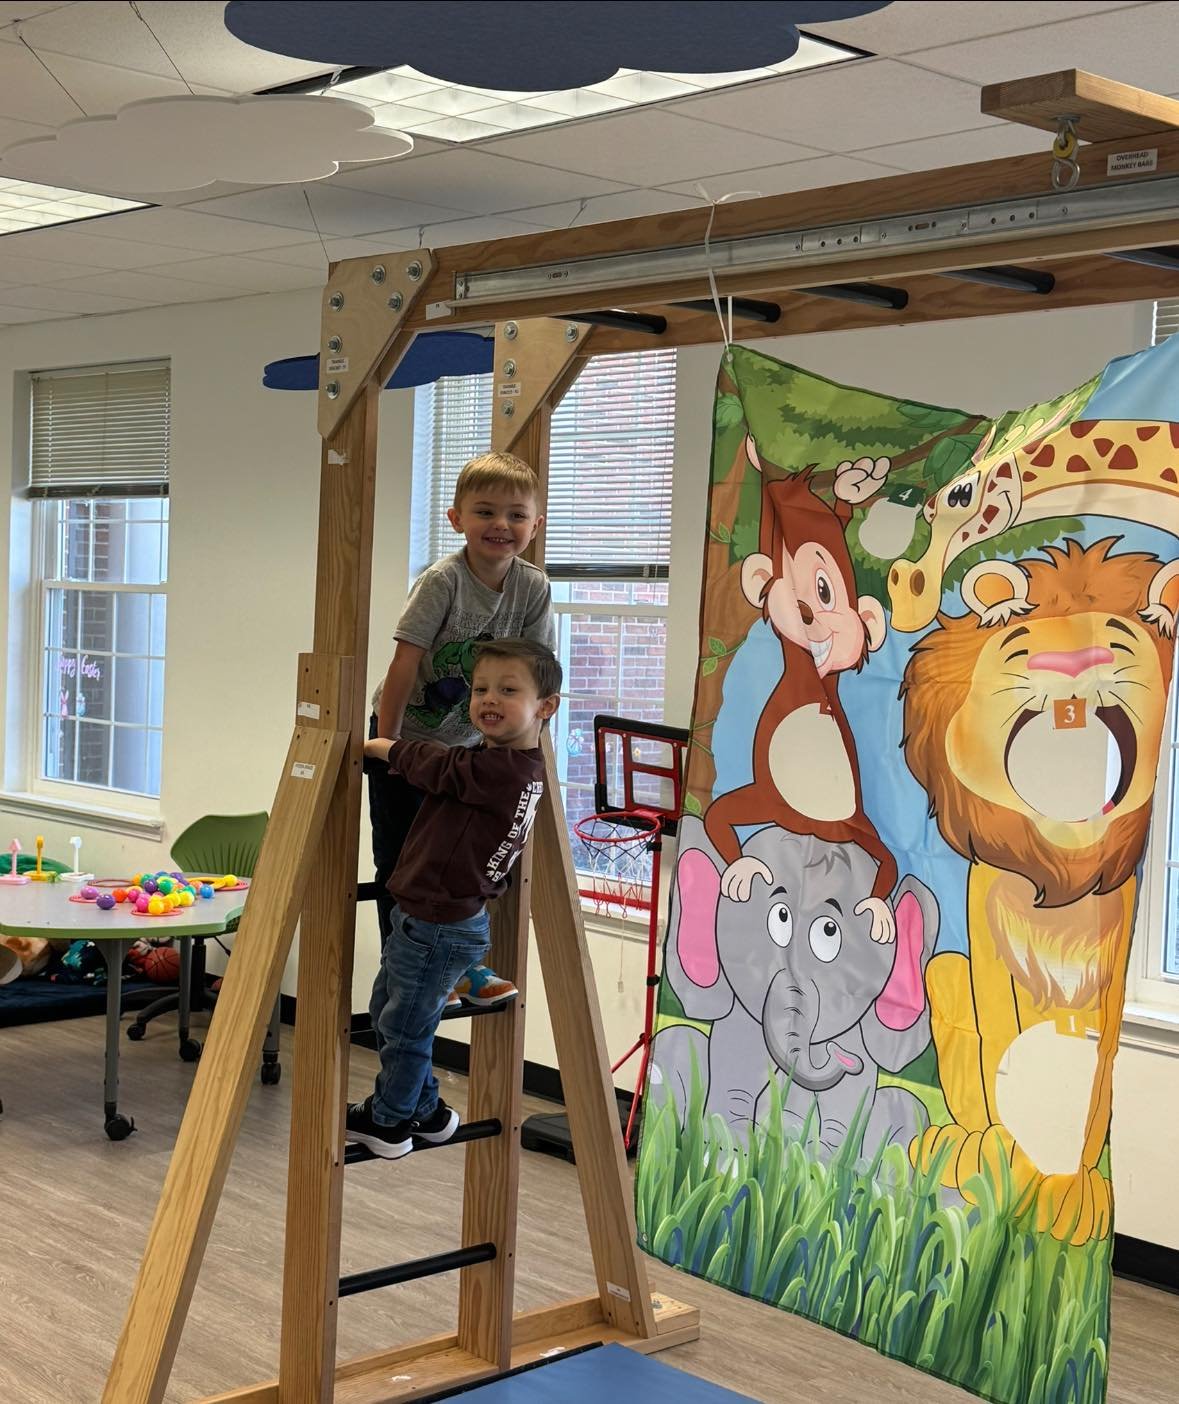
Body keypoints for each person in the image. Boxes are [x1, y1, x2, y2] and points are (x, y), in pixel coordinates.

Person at [348, 638, 561, 1159]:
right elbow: (451, 767)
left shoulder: (500, 771)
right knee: (388, 1010)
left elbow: (440, 767)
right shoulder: (506, 764)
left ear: (546, 707)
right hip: (438, 919)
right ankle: (427, 1110)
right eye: (481, 689)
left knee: (405, 1025)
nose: (489, 699)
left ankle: (390, 1121)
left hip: (437, 923)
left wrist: (385, 746)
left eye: (508, 690)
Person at [368, 451, 555, 1009]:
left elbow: (538, 673)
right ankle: (406, 966)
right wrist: (388, 744)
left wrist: (524, 750)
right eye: (486, 512)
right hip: (409, 737)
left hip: (472, 746)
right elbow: (404, 663)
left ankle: (461, 965)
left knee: (465, 863)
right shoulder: (443, 581)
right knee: (402, 863)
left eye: (516, 515)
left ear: (535, 525)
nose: (501, 525)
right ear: (457, 520)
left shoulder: (532, 587)